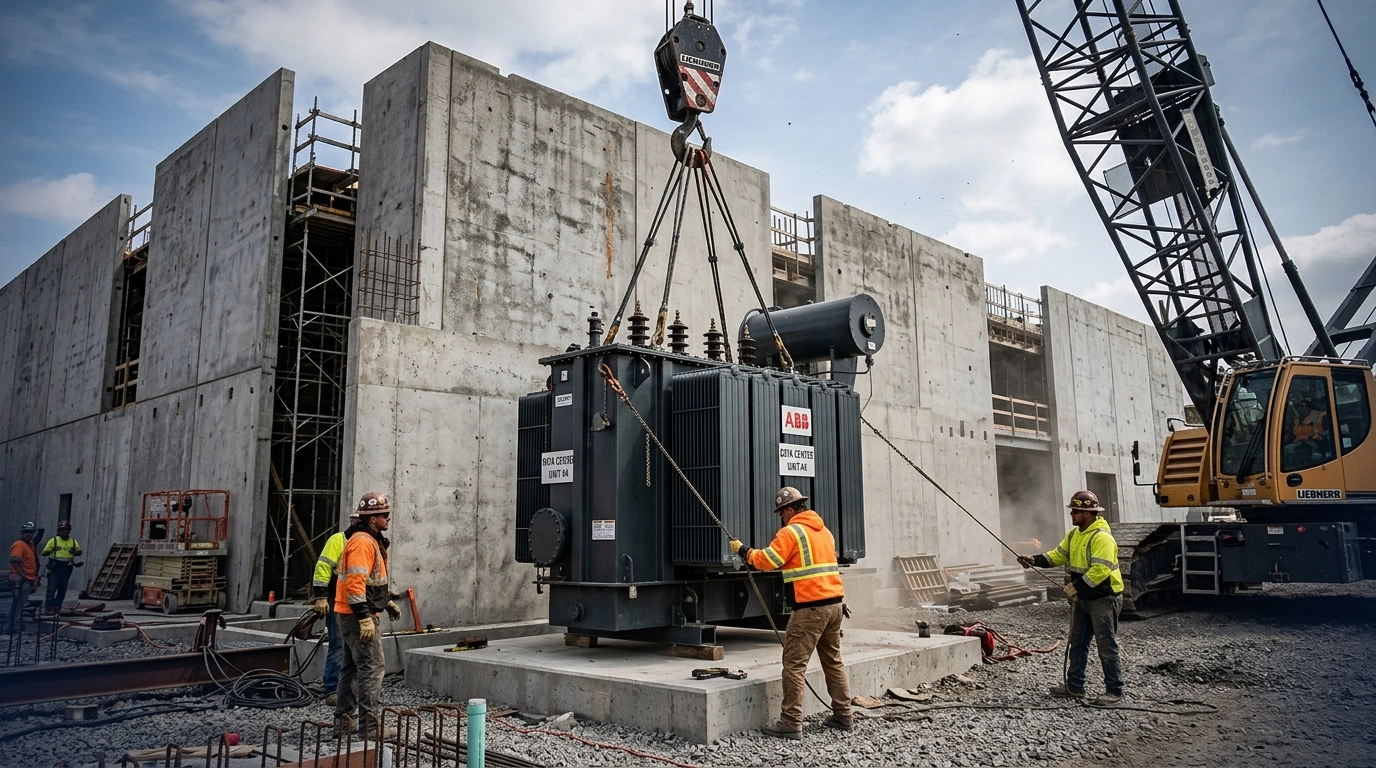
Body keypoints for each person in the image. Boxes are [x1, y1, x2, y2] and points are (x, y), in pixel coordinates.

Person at [731, 487, 852, 739]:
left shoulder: (791, 532)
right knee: (833, 662)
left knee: (794, 667)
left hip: (810, 609)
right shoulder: (825, 531)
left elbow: (768, 560)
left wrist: (744, 551)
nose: (781, 518)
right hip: (835, 606)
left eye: (781, 513)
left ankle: (790, 722)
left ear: (789, 510)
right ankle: (843, 716)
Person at [1018, 490, 1125, 706]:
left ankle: (1114, 691)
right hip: (1084, 599)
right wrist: (1034, 560)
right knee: (1077, 643)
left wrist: (1075, 587)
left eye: (1076, 511)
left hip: (1104, 598)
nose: (1072, 514)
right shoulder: (1075, 535)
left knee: (1106, 645)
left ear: (1088, 513)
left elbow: (1100, 571)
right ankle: (1075, 686)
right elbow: (1057, 555)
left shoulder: (1101, 537)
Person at [333, 492, 401, 736]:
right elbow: (355, 584)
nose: (388, 518)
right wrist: (364, 617)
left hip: (350, 613)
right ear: (372, 519)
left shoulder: (369, 540)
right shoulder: (363, 542)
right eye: (384, 514)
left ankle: (343, 722)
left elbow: (371, 582)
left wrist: (386, 601)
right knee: (372, 667)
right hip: (356, 615)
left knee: (351, 668)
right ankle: (369, 726)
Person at [312, 511, 359, 707]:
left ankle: (352, 691)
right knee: (338, 644)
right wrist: (321, 596)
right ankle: (332, 688)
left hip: (359, 601)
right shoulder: (338, 540)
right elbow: (323, 567)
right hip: (337, 599)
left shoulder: (367, 542)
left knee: (357, 648)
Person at [41, 521, 82, 612]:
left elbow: (79, 552)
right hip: (54, 567)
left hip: (66, 567)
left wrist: (74, 552)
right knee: (52, 588)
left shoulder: (73, 541)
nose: (64, 532)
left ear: (69, 530)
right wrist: (51, 550)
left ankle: (57, 606)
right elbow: (44, 553)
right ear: (58, 531)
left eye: (66, 530)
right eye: (62, 530)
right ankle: (49, 607)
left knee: (62, 588)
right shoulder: (53, 541)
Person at [7, 522, 39, 633]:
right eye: (26, 532)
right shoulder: (19, 544)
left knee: (20, 603)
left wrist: (34, 579)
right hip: (20, 580)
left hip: (27, 579)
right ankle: (11, 627)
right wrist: (23, 576)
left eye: (30, 532)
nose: (28, 534)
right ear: (22, 532)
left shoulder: (30, 545)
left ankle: (15, 625)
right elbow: (15, 560)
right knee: (18, 604)